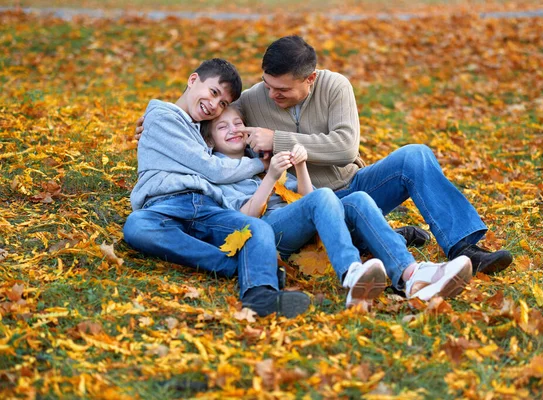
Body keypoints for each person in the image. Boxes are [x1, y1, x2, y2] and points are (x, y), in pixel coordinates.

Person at [234, 35, 513, 276]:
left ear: (310, 79)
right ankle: (385, 238)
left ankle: (465, 247)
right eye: (267, 85)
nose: (271, 95)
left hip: (355, 184)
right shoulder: (251, 99)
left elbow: (345, 147)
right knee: (349, 207)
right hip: (308, 205)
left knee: (415, 155)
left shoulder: (335, 86)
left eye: (282, 90)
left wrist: (277, 139)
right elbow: (215, 123)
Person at [201, 105, 474, 307]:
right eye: (223, 127)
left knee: (358, 199)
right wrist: (271, 178)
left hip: (299, 225)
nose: (234, 129)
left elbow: (309, 199)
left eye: (237, 123)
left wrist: (301, 167)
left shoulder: (262, 158)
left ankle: (410, 274)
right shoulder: (218, 173)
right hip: (269, 234)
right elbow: (244, 218)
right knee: (326, 197)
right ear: (210, 140)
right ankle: (351, 272)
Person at [122, 58, 311, 319]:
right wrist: (260, 163)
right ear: (192, 80)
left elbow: (228, 137)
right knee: (137, 226)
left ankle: (261, 295)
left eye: (222, 102)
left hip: (206, 204)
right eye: (213, 92)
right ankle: (236, 265)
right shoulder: (163, 116)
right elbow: (211, 168)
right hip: (163, 207)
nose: (214, 105)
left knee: (256, 228)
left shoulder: (202, 127)